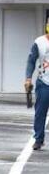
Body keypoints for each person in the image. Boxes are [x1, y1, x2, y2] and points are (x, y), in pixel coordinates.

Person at [25, 20, 49, 151]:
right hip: (44, 82)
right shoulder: (39, 42)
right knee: (40, 112)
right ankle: (39, 139)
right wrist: (28, 78)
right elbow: (31, 61)